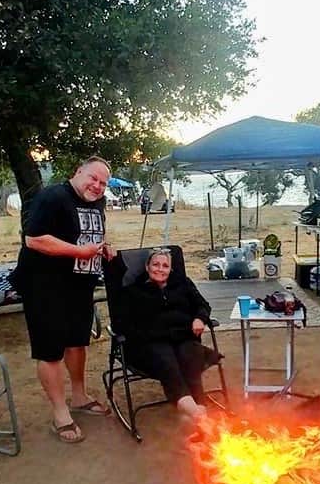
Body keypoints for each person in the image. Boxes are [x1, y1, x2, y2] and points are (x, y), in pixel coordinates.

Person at [13, 156, 114, 443]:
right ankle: (60, 414)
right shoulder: (53, 197)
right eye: (93, 178)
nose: (97, 186)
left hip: (79, 284)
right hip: (44, 285)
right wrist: (79, 252)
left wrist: (101, 250)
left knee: (77, 341)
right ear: (78, 171)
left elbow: (85, 233)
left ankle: (79, 396)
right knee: (50, 350)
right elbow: (34, 240)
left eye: (103, 183)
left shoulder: (97, 201)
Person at [106, 246, 215, 422]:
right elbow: (122, 323)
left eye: (165, 266)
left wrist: (200, 319)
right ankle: (198, 414)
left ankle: (195, 413)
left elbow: (203, 305)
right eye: (155, 264)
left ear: (171, 269)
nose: (160, 269)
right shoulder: (133, 292)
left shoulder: (183, 284)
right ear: (147, 267)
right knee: (168, 363)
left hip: (183, 337)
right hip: (150, 343)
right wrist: (148, 334)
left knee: (192, 357)